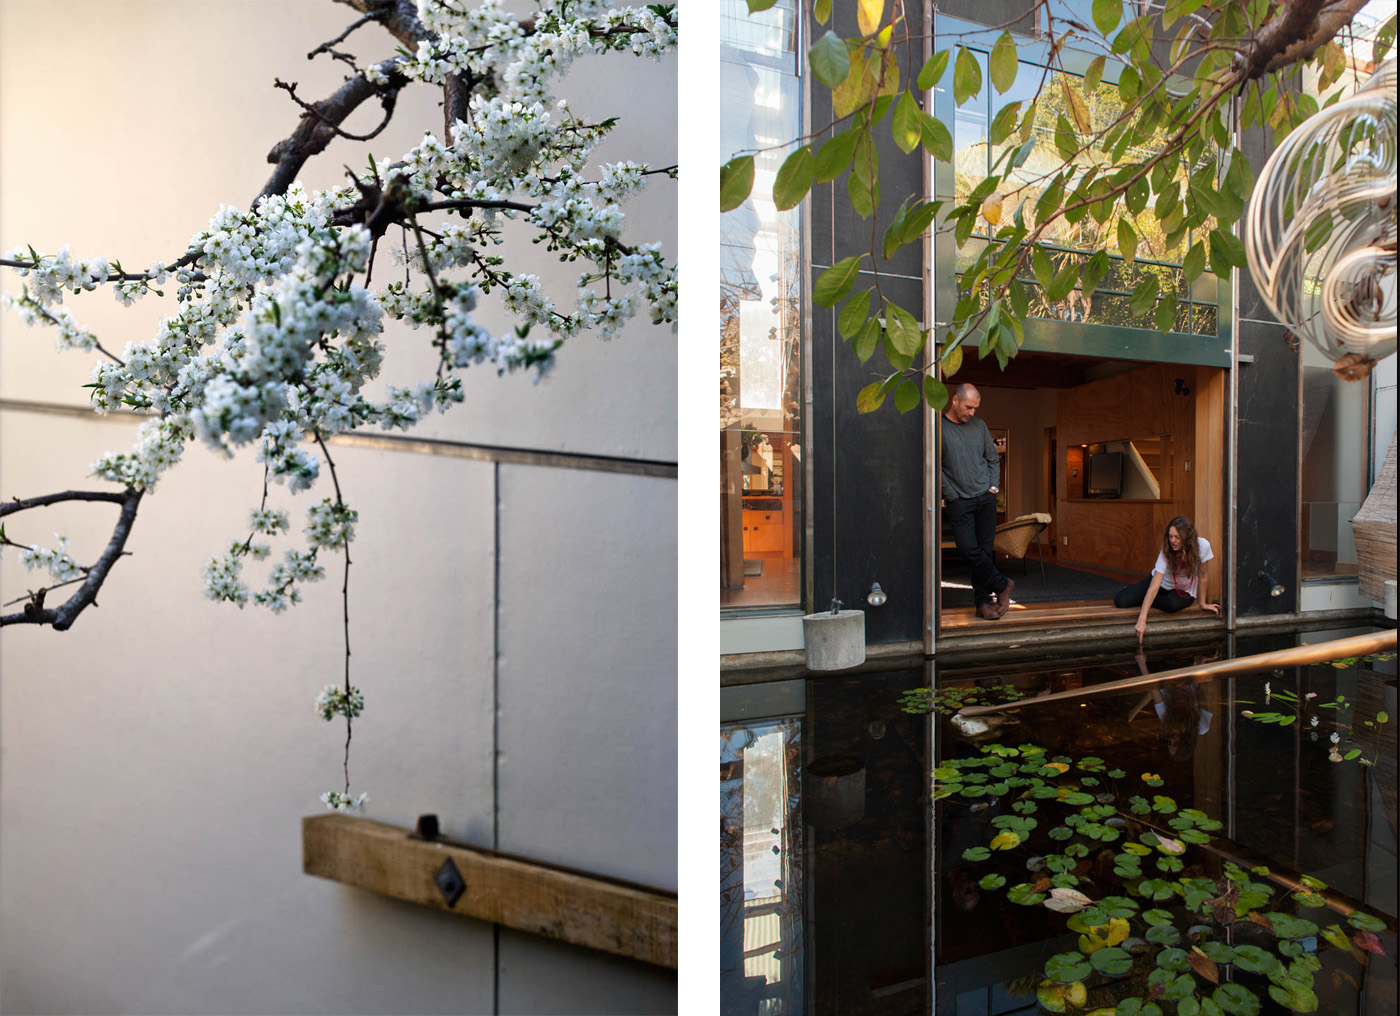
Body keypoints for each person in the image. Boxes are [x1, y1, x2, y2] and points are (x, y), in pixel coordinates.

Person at [941, 383, 1013, 620]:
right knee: (966, 548)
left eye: (975, 408)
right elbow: (936, 467)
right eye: (968, 407)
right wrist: (951, 494)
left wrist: (993, 487)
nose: (972, 412)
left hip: (985, 497)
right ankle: (1002, 584)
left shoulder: (979, 426)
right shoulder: (939, 428)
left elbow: (993, 459)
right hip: (959, 500)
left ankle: (983, 603)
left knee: (983, 551)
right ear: (954, 401)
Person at [1113, 516, 1221, 642]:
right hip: (1161, 585)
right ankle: (1137, 593)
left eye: (1177, 537)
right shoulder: (1166, 551)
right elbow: (1154, 588)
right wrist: (1141, 621)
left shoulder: (1202, 546)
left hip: (1183, 591)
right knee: (1121, 601)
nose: (1173, 541)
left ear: (1187, 537)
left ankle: (1144, 599)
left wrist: (1202, 603)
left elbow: (1203, 575)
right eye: (1170, 537)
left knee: (1172, 605)